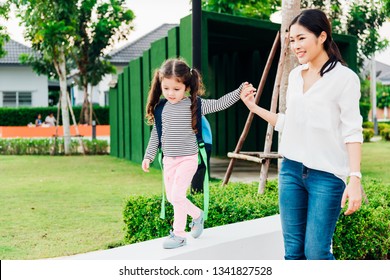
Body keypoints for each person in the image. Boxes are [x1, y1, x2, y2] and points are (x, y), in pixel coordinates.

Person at [240, 9, 363, 260]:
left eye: (301, 38)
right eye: (291, 39)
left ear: (321, 37)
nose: (295, 45)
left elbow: (352, 131)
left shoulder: (345, 78)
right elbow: (291, 123)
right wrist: (254, 108)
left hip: (327, 176)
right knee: (293, 253)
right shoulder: (296, 76)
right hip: (291, 171)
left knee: (317, 253)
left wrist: (355, 178)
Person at [142, 58, 243, 249]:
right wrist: (148, 156)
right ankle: (197, 215)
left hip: (188, 159)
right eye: (166, 88)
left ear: (187, 87)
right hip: (168, 161)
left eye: (176, 89)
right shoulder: (160, 108)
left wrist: (239, 92)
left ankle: (178, 235)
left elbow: (221, 103)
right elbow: (156, 134)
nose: (171, 93)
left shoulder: (195, 105)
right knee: (173, 197)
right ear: (161, 85)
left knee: (178, 195)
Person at [190, 115, 212, 194]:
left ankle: (196, 197)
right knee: (198, 172)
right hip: (204, 143)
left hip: (201, 144)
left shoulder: (193, 109)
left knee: (197, 172)